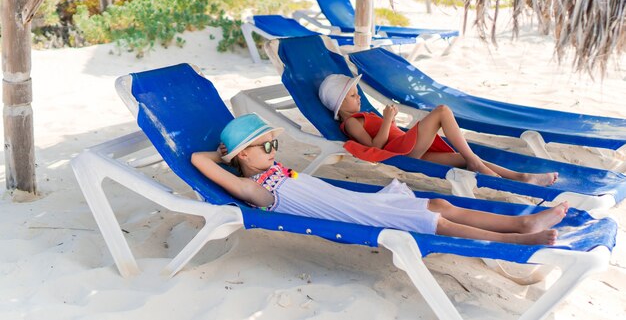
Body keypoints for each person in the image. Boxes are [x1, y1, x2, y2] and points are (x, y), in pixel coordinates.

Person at [191, 113, 567, 245]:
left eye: (273, 142)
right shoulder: (252, 189)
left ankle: (522, 221)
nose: (273, 148)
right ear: (242, 155)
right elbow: (196, 159)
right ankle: (514, 238)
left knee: (441, 204)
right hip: (355, 217)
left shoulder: (271, 169)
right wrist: (222, 156)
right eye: (263, 145)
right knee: (436, 222)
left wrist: (239, 152)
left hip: (364, 203)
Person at [318, 74, 559, 186]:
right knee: (442, 111)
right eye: (352, 95)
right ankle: (474, 161)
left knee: (461, 158)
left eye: (357, 93)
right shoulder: (350, 122)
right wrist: (388, 121)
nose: (358, 97)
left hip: (409, 147)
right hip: (401, 152)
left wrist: (388, 122)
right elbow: (374, 148)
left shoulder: (362, 115)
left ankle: (522, 177)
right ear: (340, 104)